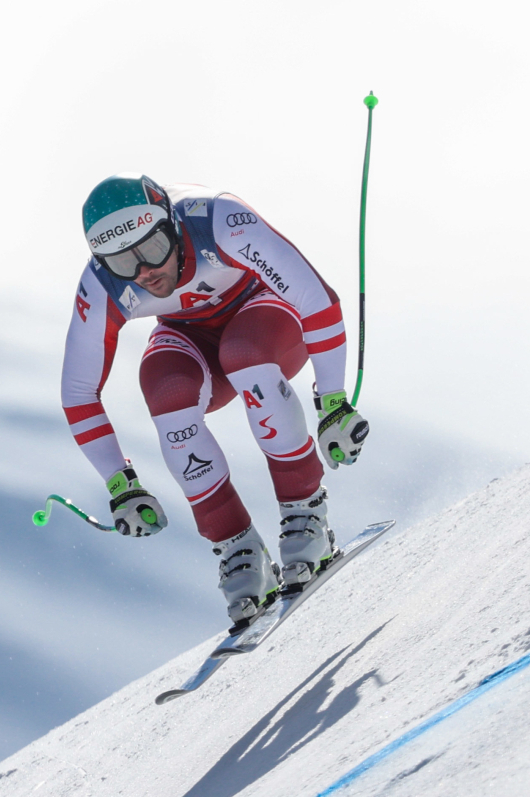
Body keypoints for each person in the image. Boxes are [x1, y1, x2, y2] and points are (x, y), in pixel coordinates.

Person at [59, 175, 370, 629]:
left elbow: (316, 299)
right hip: (189, 333)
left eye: (150, 249)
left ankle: (307, 518)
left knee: (244, 354)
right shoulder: (103, 283)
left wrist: (334, 401)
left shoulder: (216, 220)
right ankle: (238, 551)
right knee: (165, 387)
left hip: (265, 313)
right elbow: (78, 393)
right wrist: (120, 484)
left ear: (170, 223)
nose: (144, 271)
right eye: (123, 261)